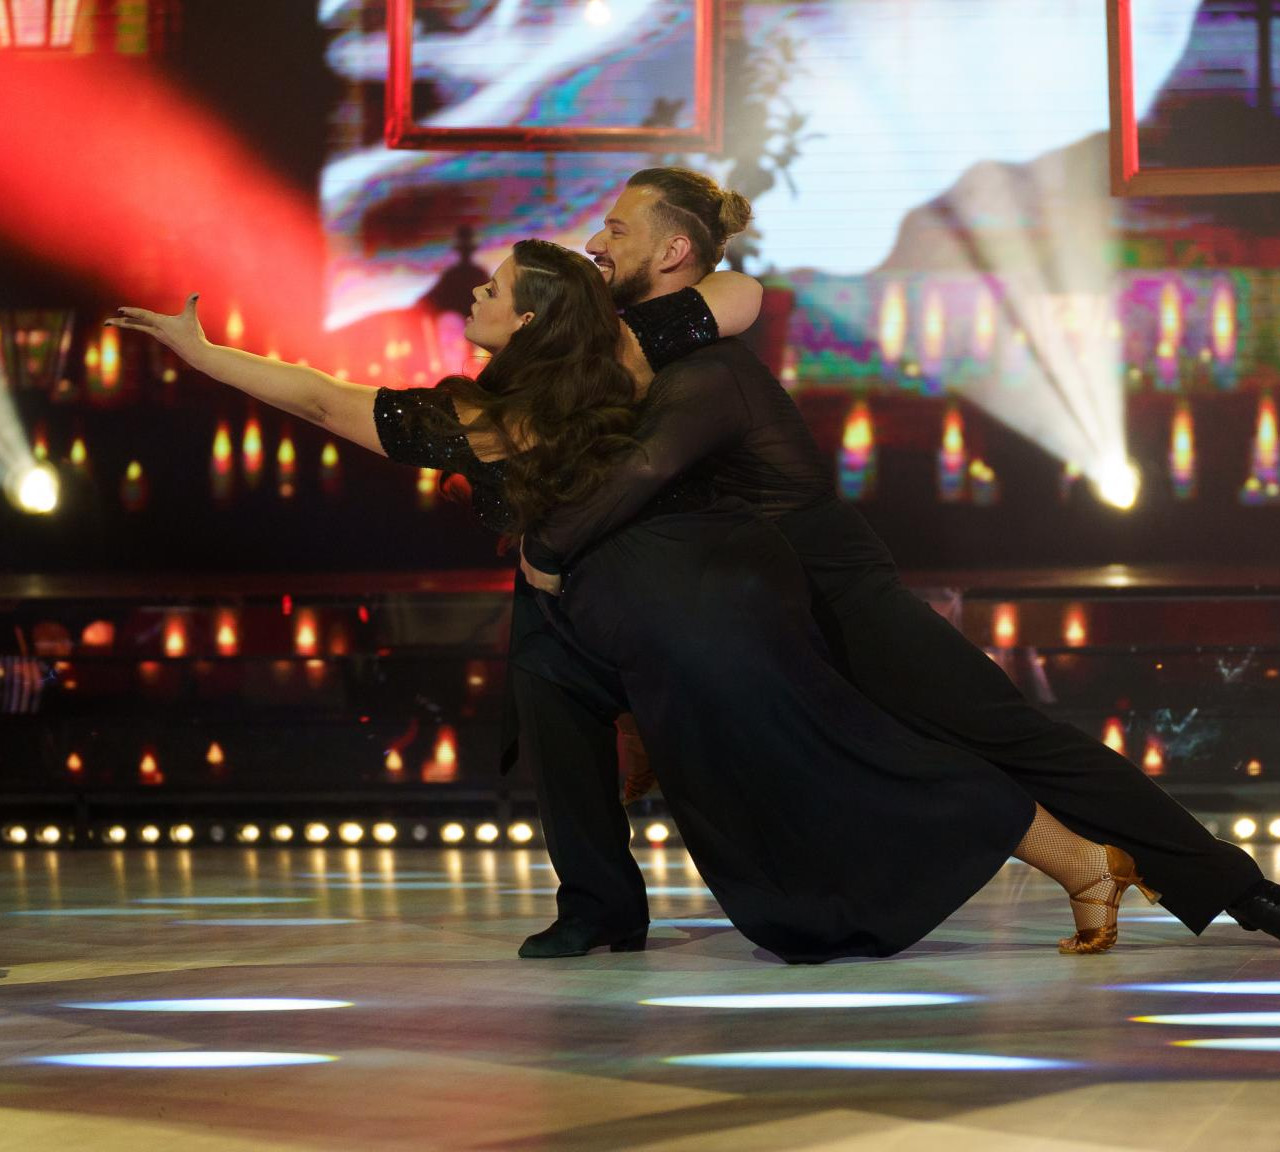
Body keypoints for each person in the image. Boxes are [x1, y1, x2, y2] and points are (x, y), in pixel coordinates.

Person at [106, 240, 1142, 964]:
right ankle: (598, 905)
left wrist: (205, 357)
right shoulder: (570, 377)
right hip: (615, 600)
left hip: (687, 596)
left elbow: (735, 295)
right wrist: (206, 353)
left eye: (493, 289)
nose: (473, 295)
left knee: (830, 749)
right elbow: (328, 397)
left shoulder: (570, 384)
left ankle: (1084, 858)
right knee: (572, 707)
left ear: (528, 320)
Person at [513, 166, 1280, 956]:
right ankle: (602, 905)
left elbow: (643, 464)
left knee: (1013, 739)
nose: (597, 241)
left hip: (834, 595)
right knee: (563, 678)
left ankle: (1239, 890)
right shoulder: (648, 353)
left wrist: (548, 548)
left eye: (617, 229)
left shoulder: (711, 373)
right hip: (745, 605)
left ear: (674, 250)